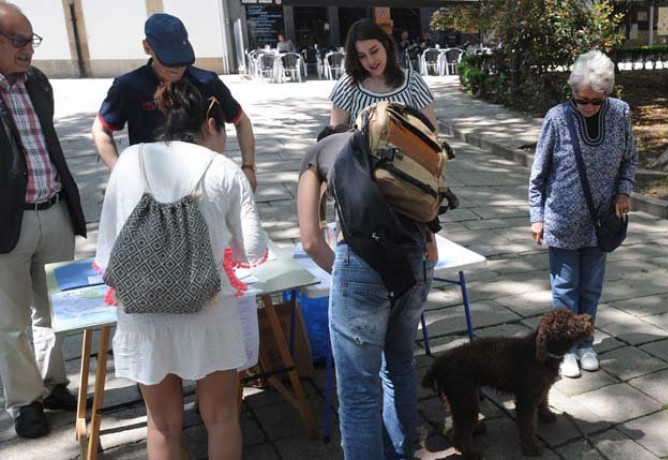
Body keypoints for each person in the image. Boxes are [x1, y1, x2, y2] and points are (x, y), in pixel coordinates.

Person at [94, 79, 268, 459]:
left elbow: (107, 250)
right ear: (212, 125)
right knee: (221, 418)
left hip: (142, 313)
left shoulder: (129, 160)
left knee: (160, 424)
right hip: (208, 308)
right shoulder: (223, 168)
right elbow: (252, 250)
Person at [296, 125, 436, 459]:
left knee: (359, 392)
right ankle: (401, 453)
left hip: (360, 266)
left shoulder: (317, 154)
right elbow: (432, 249)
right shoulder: (382, 148)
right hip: (416, 263)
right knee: (400, 365)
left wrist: (345, 279)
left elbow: (311, 240)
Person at [0, 3, 86, 439]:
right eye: (18, 40)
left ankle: (54, 385)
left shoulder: (37, 83)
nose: (28, 49)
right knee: (11, 322)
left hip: (52, 209)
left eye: (31, 39)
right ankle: (24, 400)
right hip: (5, 227)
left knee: (54, 310)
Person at [528, 50, 637, 379]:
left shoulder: (620, 113)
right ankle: (564, 350)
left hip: (601, 222)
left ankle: (585, 342)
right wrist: (537, 215)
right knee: (564, 289)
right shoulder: (557, 117)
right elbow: (539, 172)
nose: (587, 107)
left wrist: (624, 190)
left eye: (595, 101)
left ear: (607, 94)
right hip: (561, 220)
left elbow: (629, 159)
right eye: (580, 100)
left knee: (591, 288)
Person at [91, 13, 258, 191]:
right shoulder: (129, 86)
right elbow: (100, 129)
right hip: (150, 187)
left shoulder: (206, 82)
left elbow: (242, 121)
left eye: (182, 59)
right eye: (169, 60)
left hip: (203, 186)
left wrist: (248, 167)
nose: (178, 68)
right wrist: (120, 173)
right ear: (147, 47)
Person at [329, 19, 437, 129]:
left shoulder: (413, 81)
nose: (370, 61)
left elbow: (432, 131)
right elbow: (335, 137)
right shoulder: (348, 84)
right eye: (362, 56)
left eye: (374, 51)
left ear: (385, 45)